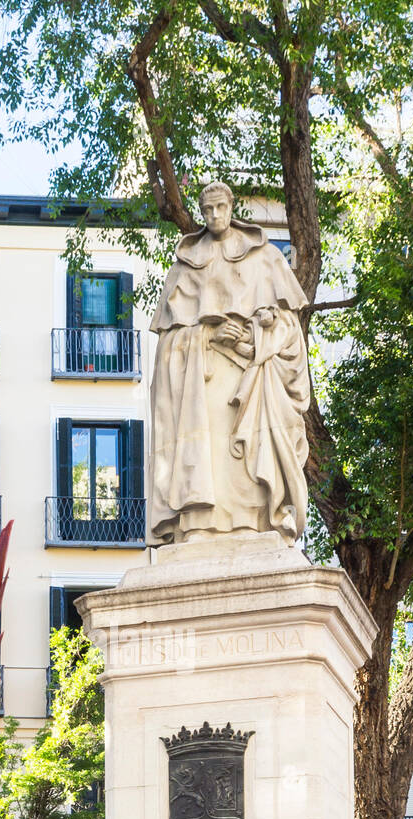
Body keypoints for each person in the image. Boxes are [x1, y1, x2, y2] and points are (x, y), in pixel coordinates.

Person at [148, 180, 311, 545]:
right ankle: (201, 528)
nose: (214, 215)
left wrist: (254, 338)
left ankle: (255, 525)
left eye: (220, 207)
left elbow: (290, 330)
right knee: (209, 461)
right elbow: (167, 342)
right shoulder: (186, 267)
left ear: (232, 206)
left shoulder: (265, 257)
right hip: (202, 383)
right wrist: (203, 337)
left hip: (252, 382)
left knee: (248, 466)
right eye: (207, 210)